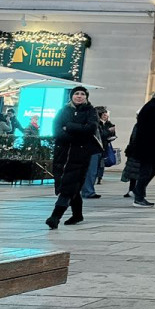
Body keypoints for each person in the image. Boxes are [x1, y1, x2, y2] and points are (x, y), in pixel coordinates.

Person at [45, 87, 102, 229]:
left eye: (82, 94)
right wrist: (77, 131)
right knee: (68, 184)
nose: (79, 96)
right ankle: (77, 215)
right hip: (62, 153)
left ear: (86, 97)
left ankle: (55, 217)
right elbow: (57, 130)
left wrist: (69, 126)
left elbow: (90, 129)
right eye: (76, 93)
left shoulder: (90, 111)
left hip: (80, 154)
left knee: (68, 186)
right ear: (72, 96)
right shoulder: (63, 111)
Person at [124, 89, 155, 206]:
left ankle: (138, 191)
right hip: (148, 146)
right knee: (146, 170)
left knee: (154, 167)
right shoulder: (152, 108)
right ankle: (139, 196)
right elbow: (150, 128)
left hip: (151, 146)